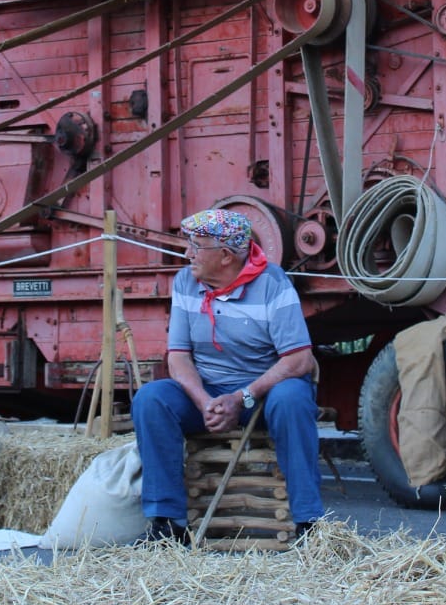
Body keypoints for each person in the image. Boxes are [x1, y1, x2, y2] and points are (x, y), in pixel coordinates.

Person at [132, 208, 324, 544]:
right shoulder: (185, 282)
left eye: (196, 246)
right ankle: (167, 525)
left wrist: (242, 397)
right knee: (151, 399)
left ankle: (309, 523)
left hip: (261, 395)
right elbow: (178, 357)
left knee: (293, 396)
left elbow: (298, 359)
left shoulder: (273, 284)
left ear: (224, 256)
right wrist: (204, 401)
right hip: (209, 393)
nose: (187, 253)